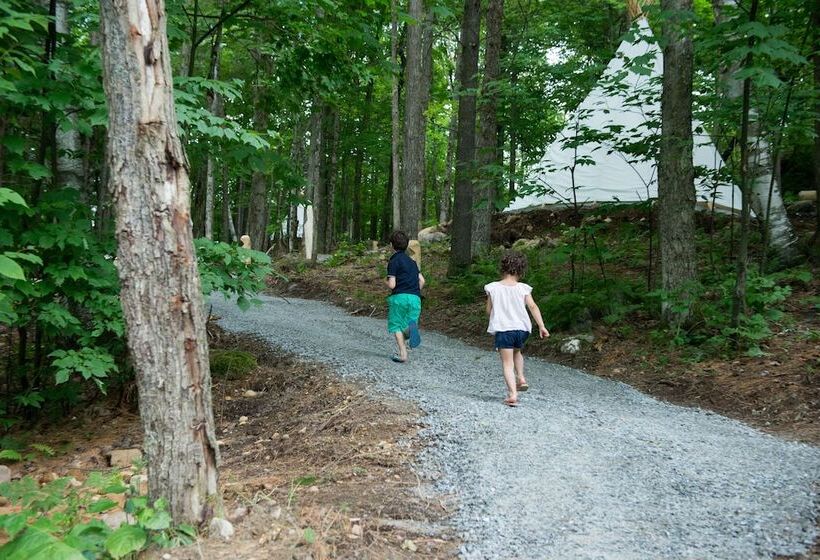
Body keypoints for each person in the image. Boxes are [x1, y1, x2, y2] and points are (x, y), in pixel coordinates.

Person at [484, 251, 549, 407]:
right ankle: (521, 378)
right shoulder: (523, 288)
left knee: (507, 363)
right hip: (522, 329)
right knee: (517, 352)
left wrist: (496, 315)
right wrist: (541, 326)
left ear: (502, 268)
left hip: (504, 329)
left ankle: (513, 394)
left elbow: (488, 310)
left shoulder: (493, 288)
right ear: (521, 271)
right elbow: (532, 306)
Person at [386, 231, 425, 363]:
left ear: (391, 245)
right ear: (407, 245)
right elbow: (422, 281)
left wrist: (385, 281)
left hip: (399, 298)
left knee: (396, 325)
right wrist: (413, 291)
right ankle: (410, 330)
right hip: (415, 298)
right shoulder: (412, 262)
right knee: (409, 322)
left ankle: (403, 354)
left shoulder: (394, 261)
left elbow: (392, 285)